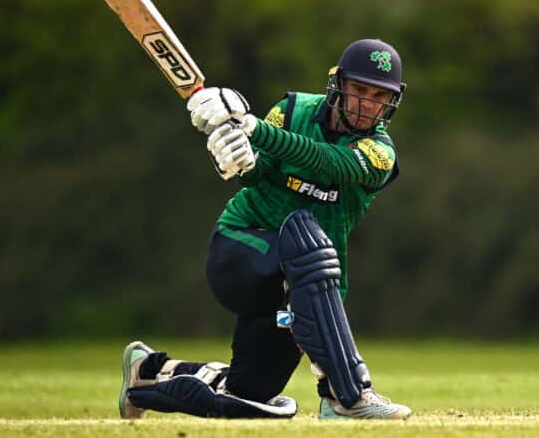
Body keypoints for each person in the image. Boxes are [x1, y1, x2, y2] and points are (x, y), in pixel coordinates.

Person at [119, 38, 412, 420]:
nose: (366, 104)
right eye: (359, 90)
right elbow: (258, 175)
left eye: (378, 96)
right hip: (240, 248)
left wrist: (253, 128)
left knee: (250, 396)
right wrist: (240, 157)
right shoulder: (291, 111)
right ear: (338, 83)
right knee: (302, 233)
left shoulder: (379, 154)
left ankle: (150, 375)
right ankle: (350, 396)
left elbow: (328, 162)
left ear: (392, 101)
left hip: (296, 283)